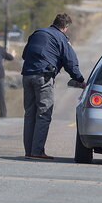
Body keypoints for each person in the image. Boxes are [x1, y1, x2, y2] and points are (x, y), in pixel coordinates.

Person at [21, 13, 86, 160]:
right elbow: (70, 62)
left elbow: (25, 55)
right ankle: (37, 151)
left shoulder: (37, 33)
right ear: (65, 27)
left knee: (30, 114)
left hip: (27, 75)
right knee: (44, 114)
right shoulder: (61, 38)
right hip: (43, 77)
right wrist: (79, 79)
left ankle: (29, 150)